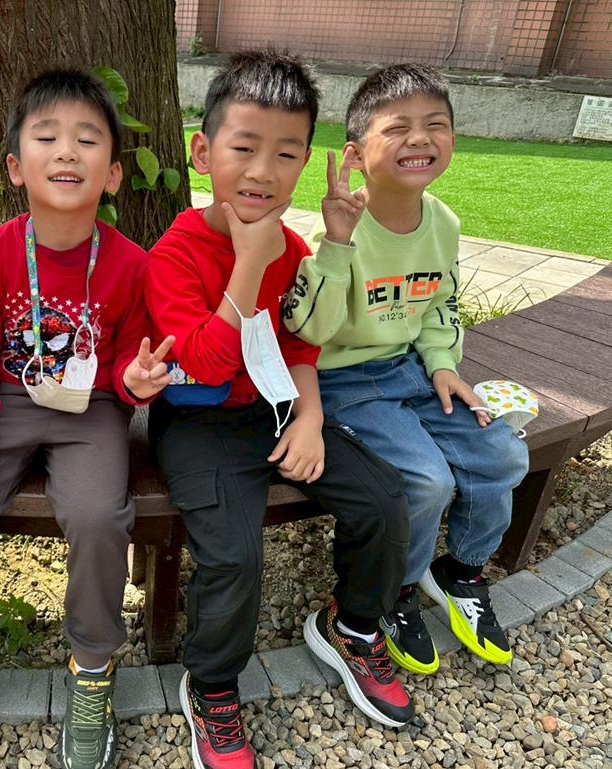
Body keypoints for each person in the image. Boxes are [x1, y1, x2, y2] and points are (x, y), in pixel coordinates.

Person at [146, 51, 416, 768]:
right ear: (203, 153)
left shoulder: (293, 247)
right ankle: (212, 687)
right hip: (199, 420)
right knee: (234, 555)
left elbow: (299, 343)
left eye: (286, 153)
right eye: (244, 148)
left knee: (384, 498)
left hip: (278, 407)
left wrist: (311, 419)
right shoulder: (174, 253)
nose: (263, 171)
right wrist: (247, 260)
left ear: (303, 164)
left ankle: (352, 626)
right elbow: (204, 363)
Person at [0, 69, 174, 769]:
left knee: (98, 515)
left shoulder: (130, 264)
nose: (67, 152)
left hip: (91, 409)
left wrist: (136, 381)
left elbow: (128, 363)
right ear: (15, 166)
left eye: (88, 139)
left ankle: (92, 662)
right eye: (48, 137)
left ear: (113, 174)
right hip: (2, 399)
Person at [283, 63, 530, 675]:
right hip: (343, 383)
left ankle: (459, 571)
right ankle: (392, 591)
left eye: (435, 125)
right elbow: (307, 329)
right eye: (397, 128)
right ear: (356, 154)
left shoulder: (442, 222)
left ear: (453, 140)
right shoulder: (340, 228)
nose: (420, 138)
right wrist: (335, 245)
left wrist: (443, 364)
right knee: (426, 480)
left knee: (502, 454)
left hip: (410, 371)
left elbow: (439, 301)